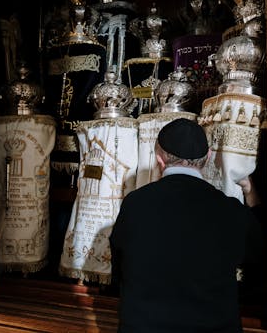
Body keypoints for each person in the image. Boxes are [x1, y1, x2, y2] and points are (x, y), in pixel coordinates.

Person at [109, 118, 258, 333]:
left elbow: (119, 268)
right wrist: (251, 192)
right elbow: (258, 258)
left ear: (159, 160)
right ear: (207, 159)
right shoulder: (230, 209)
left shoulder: (135, 204)